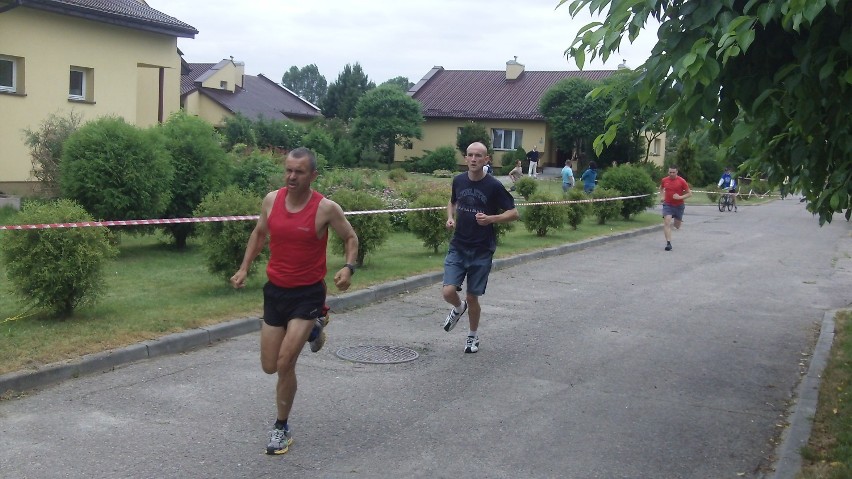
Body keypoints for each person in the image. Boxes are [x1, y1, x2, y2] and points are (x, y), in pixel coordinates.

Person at [230, 147, 359, 456]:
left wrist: (348, 267)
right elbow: (260, 233)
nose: (291, 176)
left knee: (287, 363)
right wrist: (244, 267)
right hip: (275, 291)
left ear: (312, 175)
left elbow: (350, 238)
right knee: (269, 366)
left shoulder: (325, 208)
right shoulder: (271, 200)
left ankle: (281, 427)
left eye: (299, 171)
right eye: (288, 170)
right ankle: (315, 330)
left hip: (308, 293)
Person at [442, 142, 519, 353]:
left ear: (487, 160)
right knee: (448, 291)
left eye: (478, 156)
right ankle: (458, 309)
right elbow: (452, 202)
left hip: (482, 249)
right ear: (465, 158)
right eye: (470, 155)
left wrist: (491, 219)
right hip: (458, 245)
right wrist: (450, 218)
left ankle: (472, 337)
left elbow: (513, 213)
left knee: (472, 296)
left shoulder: (493, 186)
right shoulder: (458, 180)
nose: (474, 159)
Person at [660, 165, 692, 251]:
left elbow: (689, 193)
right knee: (667, 222)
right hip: (668, 204)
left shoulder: (682, 181)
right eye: (670, 172)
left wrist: (680, 197)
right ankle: (668, 243)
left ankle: (677, 219)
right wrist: (662, 196)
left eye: (673, 172)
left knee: (677, 226)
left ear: (677, 172)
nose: (672, 174)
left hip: (679, 205)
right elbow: (661, 188)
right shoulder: (664, 180)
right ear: (668, 172)